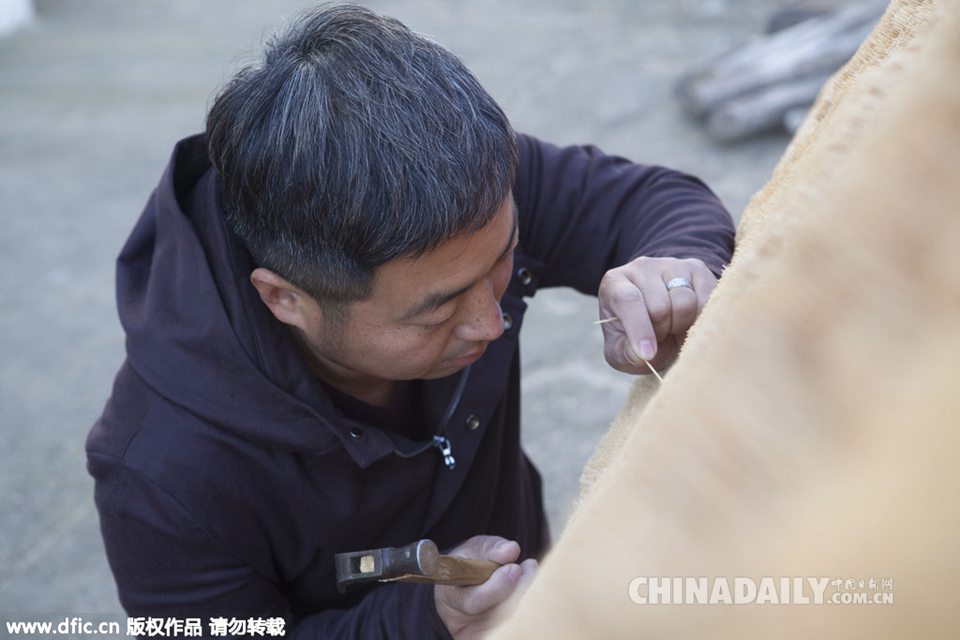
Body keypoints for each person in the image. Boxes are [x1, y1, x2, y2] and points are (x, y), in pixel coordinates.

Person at [86, 4, 734, 638]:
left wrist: (674, 273)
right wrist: (422, 620)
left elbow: (650, 201)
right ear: (287, 299)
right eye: (439, 311)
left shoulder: (468, 196)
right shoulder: (164, 479)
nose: (489, 323)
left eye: (505, 262)